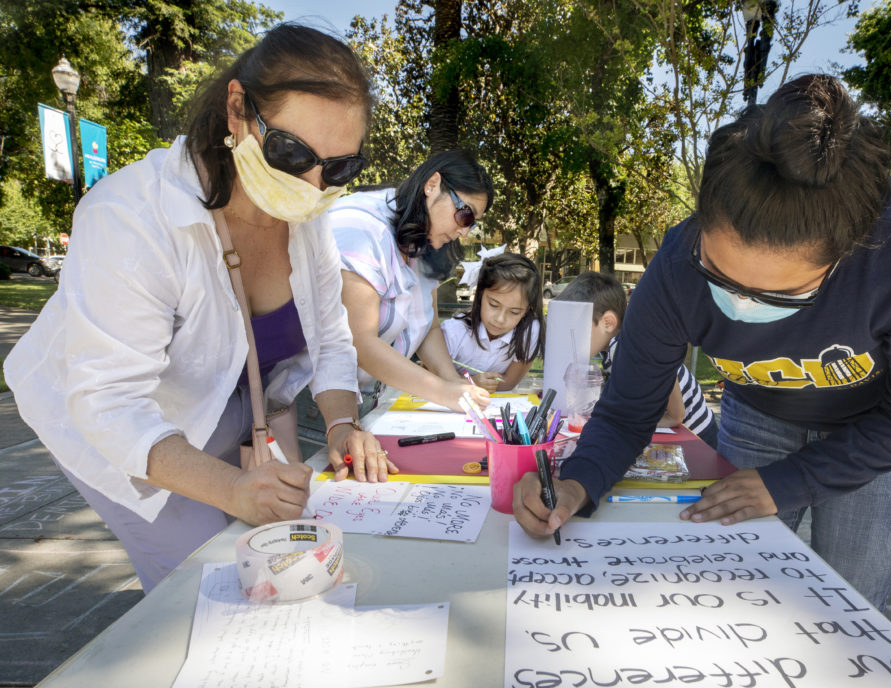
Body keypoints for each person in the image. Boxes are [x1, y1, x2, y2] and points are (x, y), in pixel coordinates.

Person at [514, 74, 891, 610]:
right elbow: (627, 410)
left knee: (852, 606)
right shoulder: (675, 264)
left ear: (846, 253)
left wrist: (791, 480)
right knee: (729, 592)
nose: (743, 303)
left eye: (781, 296)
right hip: (758, 414)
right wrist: (576, 483)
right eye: (719, 274)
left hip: (881, 431)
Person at [3, 24, 395, 593]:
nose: (313, 185)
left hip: (224, 408)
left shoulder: (309, 222)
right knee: (207, 583)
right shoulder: (129, 215)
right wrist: (232, 490)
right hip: (125, 425)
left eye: (339, 169)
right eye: (292, 153)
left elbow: (333, 338)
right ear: (238, 109)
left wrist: (341, 424)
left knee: (286, 559)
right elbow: (111, 404)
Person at [328, 150, 495, 415]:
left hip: (365, 399)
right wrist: (445, 392)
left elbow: (427, 326)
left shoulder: (422, 240)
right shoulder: (360, 227)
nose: (464, 230)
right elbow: (359, 340)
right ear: (432, 184)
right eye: (465, 215)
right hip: (316, 409)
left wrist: (456, 385)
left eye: (472, 224)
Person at [556, 271, 718, 448]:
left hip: (696, 437)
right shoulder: (611, 349)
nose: (569, 338)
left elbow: (676, 416)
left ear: (608, 323)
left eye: (576, 330)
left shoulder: (634, 346)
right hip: (680, 434)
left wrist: (625, 427)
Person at [441, 252, 545, 392]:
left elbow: (508, 383)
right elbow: (429, 374)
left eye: (514, 312)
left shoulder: (529, 332)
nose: (500, 319)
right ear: (480, 295)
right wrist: (471, 383)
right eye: (494, 305)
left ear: (527, 310)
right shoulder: (454, 331)